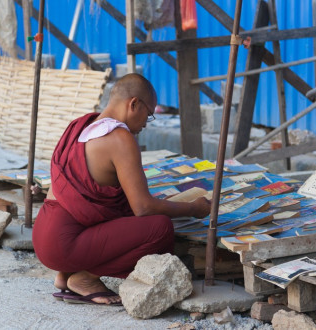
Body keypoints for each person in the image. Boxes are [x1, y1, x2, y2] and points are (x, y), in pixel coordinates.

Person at [32, 73, 211, 305]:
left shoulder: (81, 126)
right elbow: (143, 208)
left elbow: (95, 199)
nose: (146, 123)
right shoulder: (120, 138)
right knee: (159, 228)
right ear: (133, 104)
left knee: (128, 212)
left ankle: (65, 275)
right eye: (148, 114)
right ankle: (85, 277)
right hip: (66, 243)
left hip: (45, 236)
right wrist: (192, 208)